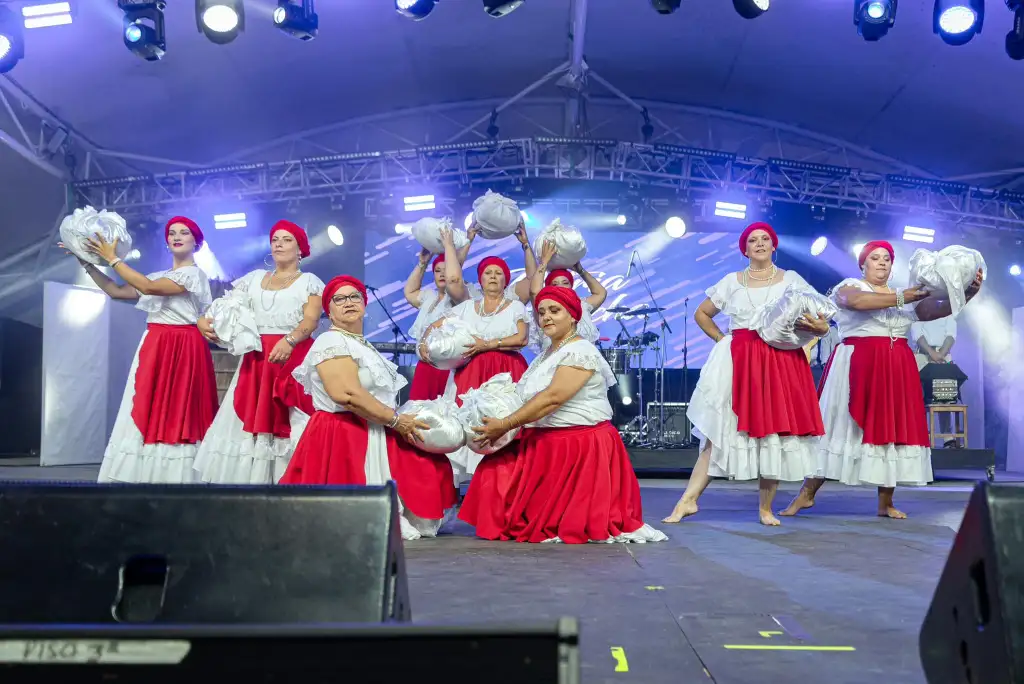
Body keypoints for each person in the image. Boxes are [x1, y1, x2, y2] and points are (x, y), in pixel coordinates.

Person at [780, 241, 984, 519]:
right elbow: (854, 302)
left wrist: (967, 292)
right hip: (858, 364)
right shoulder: (851, 286)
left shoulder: (905, 294)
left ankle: (886, 502)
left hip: (896, 366)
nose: (882, 262)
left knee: (892, 428)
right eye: (875, 258)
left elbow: (933, 310)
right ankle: (806, 494)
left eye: (887, 258)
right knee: (840, 428)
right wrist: (903, 296)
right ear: (863, 264)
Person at [467, 286, 668, 544]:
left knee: (556, 519)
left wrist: (506, 424)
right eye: (541, 313)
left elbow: (553, 397)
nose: (546, 317)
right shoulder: (547, 354)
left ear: (573, 316)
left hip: (577, 445)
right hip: (545, 441)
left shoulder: (580, 351)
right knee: (493, 472)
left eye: (554, 311)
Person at [662, 222, 831, 526]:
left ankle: (765, 509)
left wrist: (818, 332)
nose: (760, 243)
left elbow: (819, 318)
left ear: (774, 245)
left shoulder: (791, 279)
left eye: (765, 239)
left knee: (773, 433)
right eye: (753, 240)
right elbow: (702, 313)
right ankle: (687, 501)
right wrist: (722, 339)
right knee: (719, 431)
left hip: (781, 359)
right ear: (745, 249)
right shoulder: (732, 281)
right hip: (740, 359)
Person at [280, 275, 457, 540]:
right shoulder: (331, 342)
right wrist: (395, 420)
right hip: (342, 433)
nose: (348, 303)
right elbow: (346, 394)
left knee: (428, 464)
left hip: (371, 427)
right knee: (342, 522)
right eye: (339, 299)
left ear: (364, 303)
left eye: (354, 297)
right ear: (329, 310)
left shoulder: (360, 344)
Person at [60, 216, 218, 483]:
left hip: (182, 347)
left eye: (184, 233)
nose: (176, 236)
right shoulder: (158, 275)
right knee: (146, 403)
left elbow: (148, 288)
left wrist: (113, 259)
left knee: (177, 409)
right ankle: (146, 473)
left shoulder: (194, 275)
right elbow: (116, 291)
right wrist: (87, 263)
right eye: (172, 233)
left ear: (197, 242)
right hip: (156, 344)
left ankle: (177, 477)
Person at [194, 220, 323, 484]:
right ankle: (252, 485)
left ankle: (291, 483)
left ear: (300, 248)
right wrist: (202, 321)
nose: (279, 244)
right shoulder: (253, 279)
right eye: (275, 239)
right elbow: (225, 307)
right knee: (249, 418)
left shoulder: (309, 282)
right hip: (257, 360)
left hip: (293, 359)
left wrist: (289, 340)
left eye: (286, 239)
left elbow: (310, 321)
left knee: (290, 420)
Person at [422, 244, 530, 481]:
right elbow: (435, 324)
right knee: (469, 421)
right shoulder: (467, 307)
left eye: (498, 273)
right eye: (488, 273)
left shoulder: (516, 307)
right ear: (480, 279)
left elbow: (521, 338)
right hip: (471, 372)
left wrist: (487, 345)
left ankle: (508, 481)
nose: (493, 276)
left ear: (506, 280)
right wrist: (423, 343)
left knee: (506, 423)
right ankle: (471, 483)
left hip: (506, 373)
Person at [404, 227, 477, 400]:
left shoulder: (459, 296)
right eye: (437, 270)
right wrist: (422, 263)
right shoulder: (429, 296)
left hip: (447, 367)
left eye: (446, 269)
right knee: (418, 412)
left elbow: (454, 278)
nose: (443, 274)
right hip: (424, 368)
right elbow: (409, 292)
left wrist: (466, 242)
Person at [528, 240, 606, 348]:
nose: (561, 287)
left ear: (571, 286)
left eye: (565, 283)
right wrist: (544, 262)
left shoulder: (581, 305)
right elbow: (534, 292)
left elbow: (600, 293)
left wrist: (580, 270)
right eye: (555, 284)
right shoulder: (544, 308)